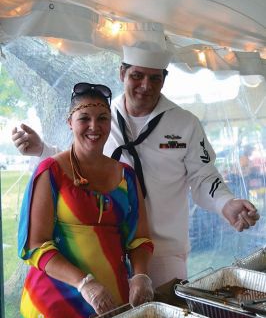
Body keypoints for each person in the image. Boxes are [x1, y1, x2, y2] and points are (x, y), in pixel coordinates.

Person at [12, 41, 260, 289]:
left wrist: (226, 202)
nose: (145, 86)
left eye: (154, 78)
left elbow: (203, 176)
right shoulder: (102, 116)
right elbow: (80, 164)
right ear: (122, 73)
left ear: (164, 80)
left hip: (164, 249)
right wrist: (42, 150)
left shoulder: (185, 124)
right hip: (108, 249)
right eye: (137, 76)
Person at [17, 82, 154, 318]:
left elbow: (139, 238)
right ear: (70, 122)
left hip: (109, 305)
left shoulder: (126, 176)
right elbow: (36, 246)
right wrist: (84, 284)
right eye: (84, 118)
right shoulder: (50, 172)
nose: (94, 126)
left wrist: (141, 274)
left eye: (102, 118)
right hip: (53, 308)